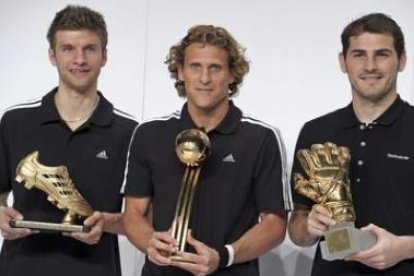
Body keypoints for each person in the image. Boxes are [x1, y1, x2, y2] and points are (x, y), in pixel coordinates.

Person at [122, 25, 292, 275]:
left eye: (215, 68)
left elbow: (275, 224)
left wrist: (224, 256)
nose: (204, 78)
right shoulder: (149, 134)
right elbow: (133, 213)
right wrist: (150, 242)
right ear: (180, 71)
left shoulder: (261, 138)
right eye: (195, 67)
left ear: (233, 74)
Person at [0, 5, 137, 276]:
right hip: (20, 268)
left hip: (96, 269)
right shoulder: (14, 121)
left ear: (104, 56)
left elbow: (142, 221)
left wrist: (107, 223)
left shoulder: (130, 131)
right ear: (52, 55)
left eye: (89, 48)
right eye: (68, 49)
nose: (79, 59)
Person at [288, 13, 414, 275]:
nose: (370, 66)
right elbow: (297, 229)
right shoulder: (316, 132)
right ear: (343, 62)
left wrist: (404, 248)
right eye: (358, 55)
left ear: (401, 61)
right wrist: (308, 227)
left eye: (382, 54)